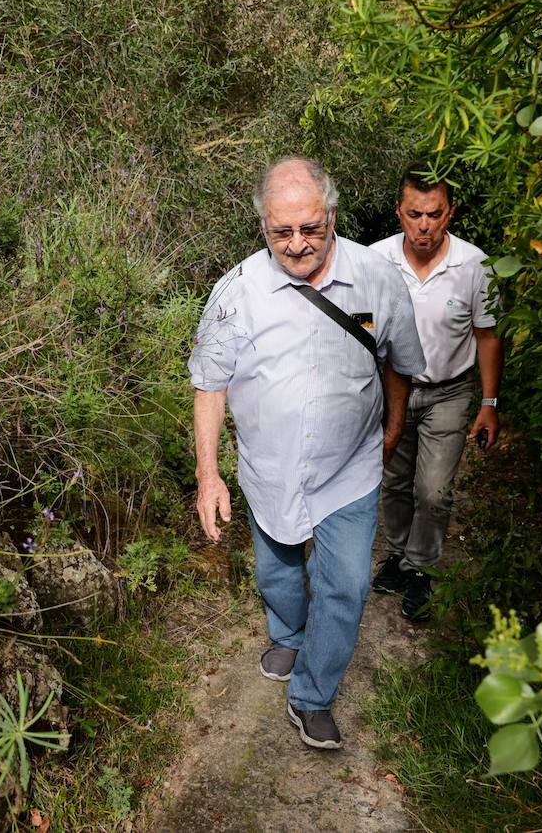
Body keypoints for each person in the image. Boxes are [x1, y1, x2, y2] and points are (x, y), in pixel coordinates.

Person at [189, 156, 426, 750]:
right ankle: (288, 633)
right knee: (278, 569)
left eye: (310, 228)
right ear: (263, 228)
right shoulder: (237, 293)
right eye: (281, 232)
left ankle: (313, 696)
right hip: (269, 471)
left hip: (350, 468)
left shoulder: (376, 279)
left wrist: (393, 426)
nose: (297, 244)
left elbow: (399, 359)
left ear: (333, 215)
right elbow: (209, 384)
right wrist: (209, 475)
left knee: (346, 584)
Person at [368, 166, 504, 622]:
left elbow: (488, 336)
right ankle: (398, 555)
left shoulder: (475, 266)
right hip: (392, 390)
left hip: (449, 391)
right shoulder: (375, 261)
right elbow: (361, 330)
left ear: (450, 214)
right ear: (399, 212)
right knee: (395, 481)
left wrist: (488, 404)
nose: (423, 225)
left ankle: (421, 569)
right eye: (413, 214)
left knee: (434, 490)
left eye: (434, 214)